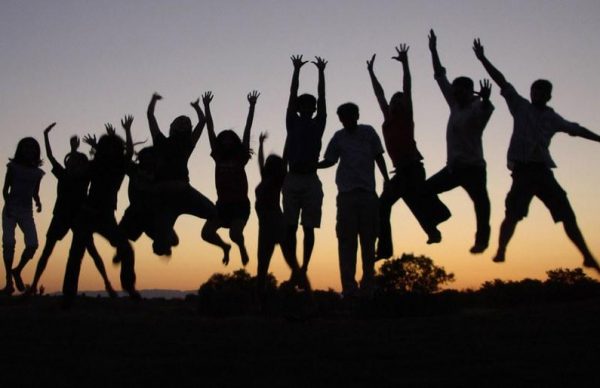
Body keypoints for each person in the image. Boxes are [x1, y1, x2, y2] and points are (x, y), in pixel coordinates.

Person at [473, 38, 600, 272]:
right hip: (522, 171)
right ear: (531, 93)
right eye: (535, 90)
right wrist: (482, 59)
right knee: (513, 215)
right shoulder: (521, 106)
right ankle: (501, 249)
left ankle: (587, 255)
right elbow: (502, 81)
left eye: (543, 92)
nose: (538, 94)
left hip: (542, 171)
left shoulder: (552, 118)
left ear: (548, 96)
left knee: (566, 214)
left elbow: (577, 129)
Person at [367, 44, 450, 260]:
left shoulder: (407, 116)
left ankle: (433, 228)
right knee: (383, 206)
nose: (396, 101)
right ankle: (386, 249)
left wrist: (405, 64)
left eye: (399, 100)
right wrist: (371, 72)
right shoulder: (388, 118)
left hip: (413, 169)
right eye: (394, 100)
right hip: (401, 172)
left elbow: (408, 87)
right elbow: (379, 94)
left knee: (415, 202)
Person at [18, 124, 116, 296]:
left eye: (78, 162)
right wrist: (47, 136)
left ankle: (108, 284)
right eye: (72, 162)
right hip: (62, 215)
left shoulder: (85, 175)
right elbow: (50, 155)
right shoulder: (64, 174)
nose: (74, 164)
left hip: (80, 216)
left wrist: (94, 146)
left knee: (91, 251)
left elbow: (102, 162)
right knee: (47, 252)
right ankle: (33, 286)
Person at [426, 29, 494, 254]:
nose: (454, 93)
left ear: (468, 91)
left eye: (459, 90)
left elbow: (485, 110)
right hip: (453, 168)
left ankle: (482, 240)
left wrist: (484, 99)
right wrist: (433, 50)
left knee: (481, 203)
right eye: (454, 90)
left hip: (473, 168)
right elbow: (439, 77)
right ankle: (439, 215)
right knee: (424, 190)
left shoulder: (477, 107)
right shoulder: (454, 104)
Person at [62, 117, 137, 307]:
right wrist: (72, 158)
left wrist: (127, 130)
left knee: (126, 249)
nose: (111, 151)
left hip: (104, 216)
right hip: (88, 214)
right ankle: (68, 296)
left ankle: (129, 287)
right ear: (103, 150)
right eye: (107, 147)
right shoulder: (95, 165)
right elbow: (76, 174)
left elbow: (128, 153)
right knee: (76, 256)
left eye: (114, 147)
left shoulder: (120, 165)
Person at [318, 103, 389, 297]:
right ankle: (349, 288)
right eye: (343, 116)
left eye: (350, 115)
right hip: (346, 195)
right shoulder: (338, 137)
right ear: (340, 119)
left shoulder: (369, 132)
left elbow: (378, 156)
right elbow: (330, 160)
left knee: (368, 241)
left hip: (367, 193)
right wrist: (313, 166)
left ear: (357, 115)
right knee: (346, 242)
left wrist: (386, 179)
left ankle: (368, 286)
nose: (347, 119)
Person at [147, 93, 216, 256]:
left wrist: (198, 106)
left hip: (184, 192)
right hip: (165, 197)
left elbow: (202, 122)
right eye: (180, 121)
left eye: (187, 122)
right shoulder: (160, 141)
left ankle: (167, 233)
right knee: (159, 247)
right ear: (173, 126)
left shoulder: (188, 143)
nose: (184, 122)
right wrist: (153, 100)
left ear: (188, 129)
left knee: (214, 212)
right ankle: (167, 237)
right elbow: (150, 116)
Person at [200, 91, 258, 266]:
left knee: (235, 234)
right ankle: (225, 247)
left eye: (229, 139)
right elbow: (210, 129)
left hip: (240, 205)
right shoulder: (218, 155)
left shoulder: (240, 157)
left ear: (234, 142)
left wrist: (252, 106)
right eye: (223, 139)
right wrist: (207, 107)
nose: (226, 141)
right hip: (222, 205)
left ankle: (241, 247)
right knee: (206, 234)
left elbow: (247, 130)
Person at [283, 55, 327, 280]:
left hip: (310, 179)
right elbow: (292, 95)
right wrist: (297, 70)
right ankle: (294, 267)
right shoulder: (292, 120)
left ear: (314, 108)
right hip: (292, 178)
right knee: (290, 227)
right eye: (304, 104)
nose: (308, 107)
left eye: (312, 105)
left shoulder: (319, 123)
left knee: (308, 227)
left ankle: (304, 267)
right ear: (300, 107)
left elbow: (322, 96)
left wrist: (321, 72)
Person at [255, 132, 308, 305]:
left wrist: (289, 137)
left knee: (291, 262)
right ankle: (261, 303)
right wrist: (261, 144)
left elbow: (284, 159)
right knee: (263, 267)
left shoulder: (278, 179)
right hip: (265, 227)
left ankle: (309, 298)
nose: (268, 162)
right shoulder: (266, 178)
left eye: (272, 161)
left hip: (275, 223)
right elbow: (260, 162)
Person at [2, 136, 44, 295]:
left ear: (36, 152)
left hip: (26, 211)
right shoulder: (13, 167)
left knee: (33, 244)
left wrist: (38, 201)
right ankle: (8, 282)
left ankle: (17, 270)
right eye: (26, 147)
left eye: (32, 148)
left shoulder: (37, 173)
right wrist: (8, 204)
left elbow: (35, 192)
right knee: (8, 243)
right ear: (20, 150)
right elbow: (5, 189)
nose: (29, 150)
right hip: (11, 209)